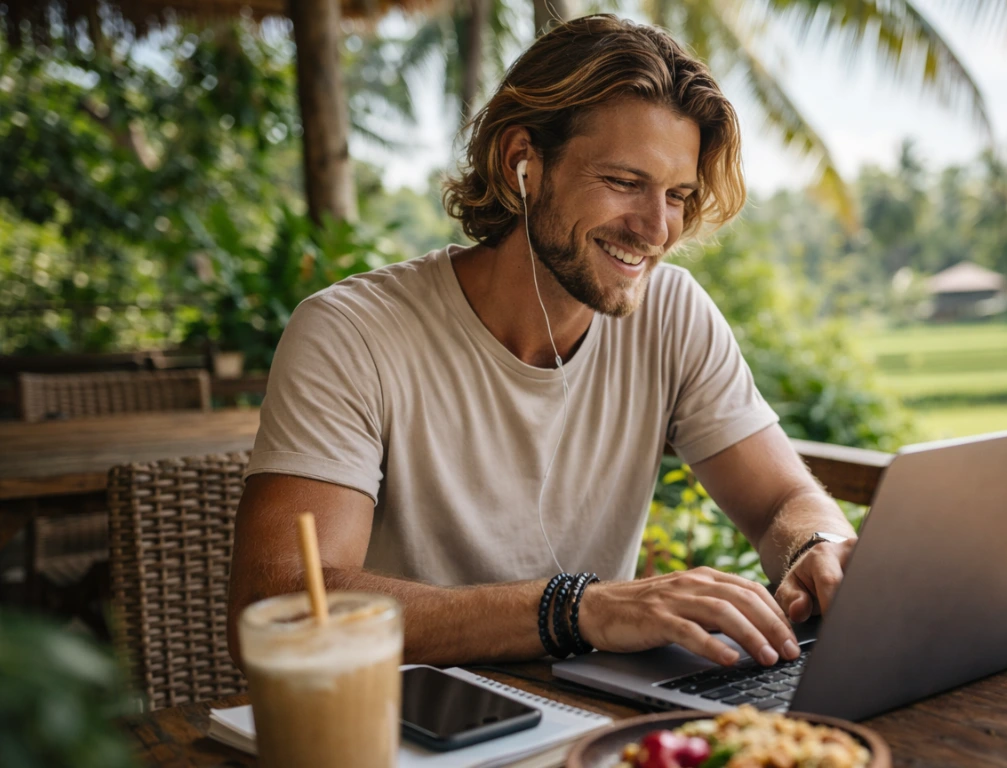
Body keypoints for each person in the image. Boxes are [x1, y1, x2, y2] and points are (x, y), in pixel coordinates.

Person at [227, 14, 856, 671]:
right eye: (623, 182)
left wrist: (815, 544)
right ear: (521, 161)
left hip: (590, 718)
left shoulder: (672, 313)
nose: (655, 227)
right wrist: (577, 609)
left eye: (676, 194)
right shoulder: (351, 333)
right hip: (403, 726)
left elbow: (783, 501)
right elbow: (280, 605)